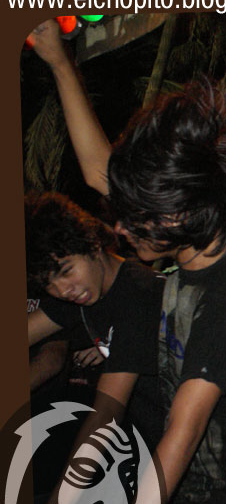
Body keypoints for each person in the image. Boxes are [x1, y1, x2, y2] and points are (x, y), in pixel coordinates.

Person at [105, 78, 226, 504]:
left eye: (136, 215)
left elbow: (185, 428)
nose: (120, 227)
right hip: (184, 500)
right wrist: (62, 66)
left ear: (176, 215)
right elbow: (95, 167)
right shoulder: (188, 259)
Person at [25, 192, 166, 452]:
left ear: (93, 245)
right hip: (150, 439)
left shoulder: (140, 295)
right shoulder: (84, 290)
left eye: (66, 271)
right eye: (48, 284)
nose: (62, 290)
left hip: (199, 450)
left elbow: (106, 414)